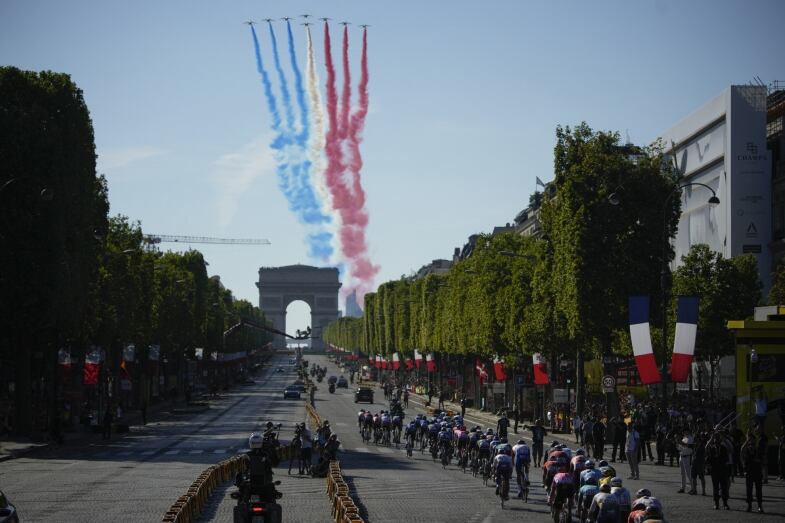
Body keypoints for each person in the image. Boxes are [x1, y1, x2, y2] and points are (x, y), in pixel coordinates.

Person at [706, 431, 730, 510]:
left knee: (724, 487)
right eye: (715, 440)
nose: (716, 442)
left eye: (718, 440)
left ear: (720, 441)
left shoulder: (723, 448)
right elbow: (708, 458)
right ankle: (716, 503)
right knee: (715, 487)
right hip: (714, 471)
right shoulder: (711, 449)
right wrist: (708, 465)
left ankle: (725, 503)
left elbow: (727, 458)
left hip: (722, 470)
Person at [741, 430, 764, 513]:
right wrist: (746, 441)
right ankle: (749, 506)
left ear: (755, 440)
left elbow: (761, 460)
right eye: (750, 440)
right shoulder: (746, 449)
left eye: (752, 440)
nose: (751, 441)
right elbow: (741, 452)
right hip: (749, 472)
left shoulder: (758, 449)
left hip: (757, 472)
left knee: (759, 490)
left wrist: (757, 460)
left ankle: (760, 506)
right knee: (749, 490)